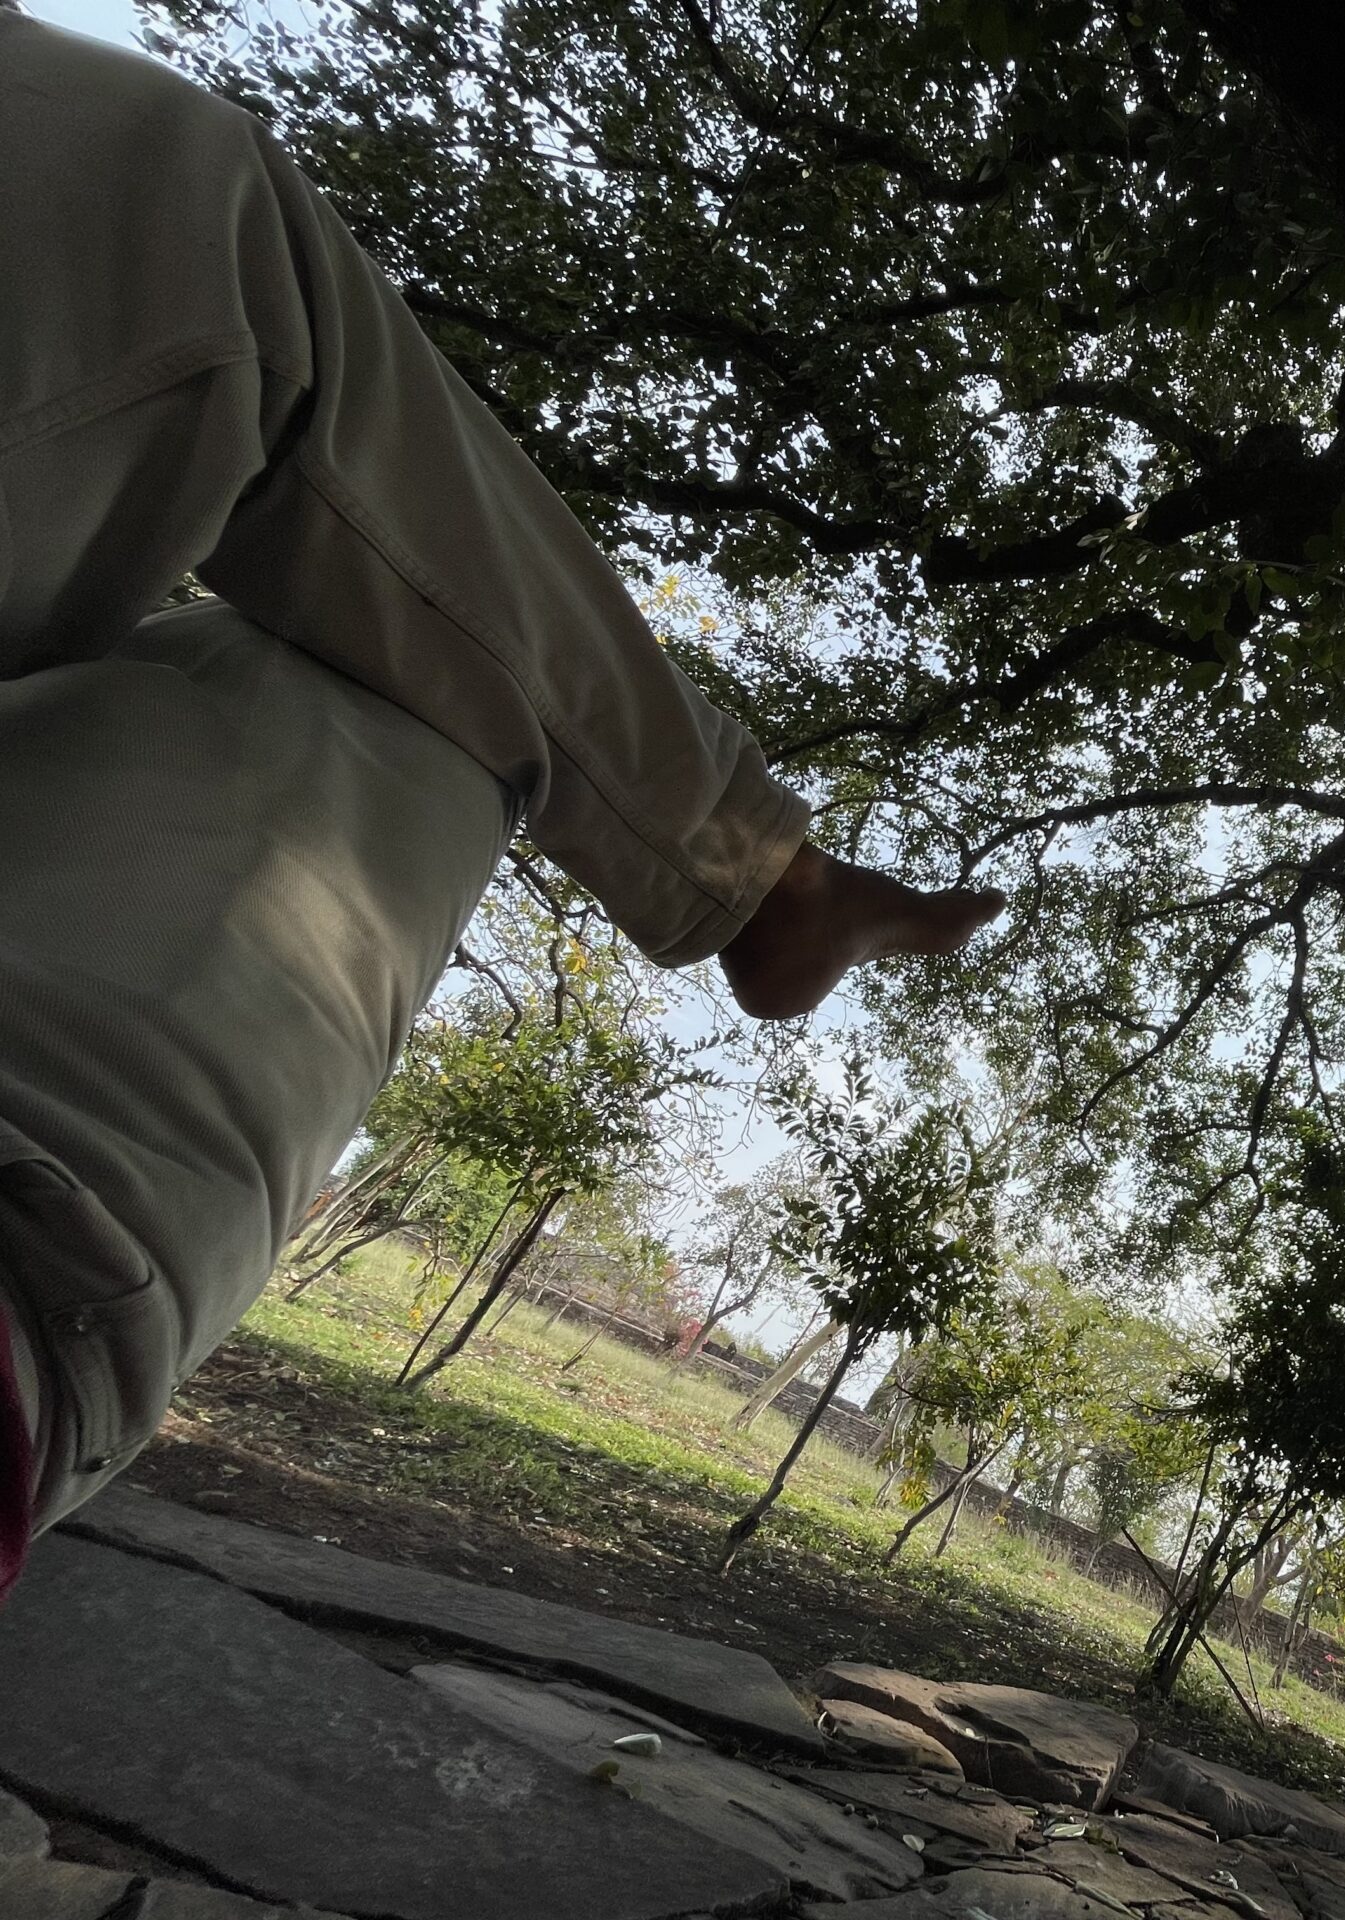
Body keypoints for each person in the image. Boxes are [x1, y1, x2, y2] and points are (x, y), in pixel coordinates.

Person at [0, 11, 1002, 1601]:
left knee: (218, 282)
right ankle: (757, 883)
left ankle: (759, 879)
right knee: (391, 671)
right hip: (48, 1228)